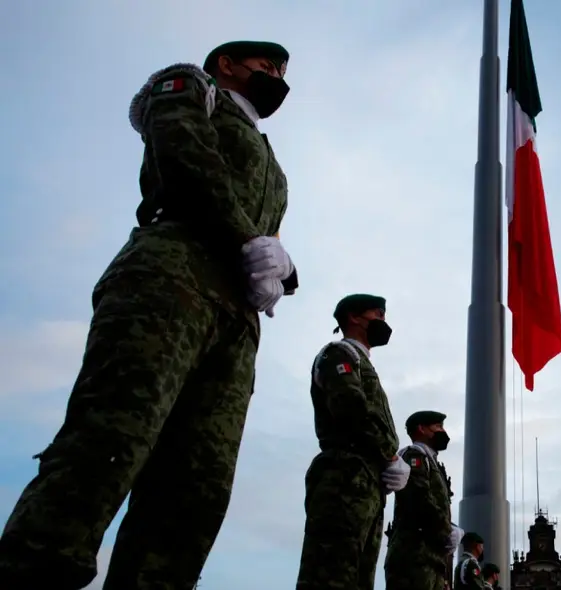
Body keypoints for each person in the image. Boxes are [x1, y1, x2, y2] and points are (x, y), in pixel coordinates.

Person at [0, 40, 298, 590]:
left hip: (236, 319)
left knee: (197, 485)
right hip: (171, 274)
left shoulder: (272, 164)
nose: (276, 74)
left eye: (282, 70)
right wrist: (246, 239)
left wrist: (280, 263)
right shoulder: (190, 86)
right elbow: (185, 156)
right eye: (266, 63)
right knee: (113, 438)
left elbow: (265, 230)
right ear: (227, 64)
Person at [297, 294, 411, 590]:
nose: (383, 322)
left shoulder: (362, 362)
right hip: (344, 476)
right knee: (331, 573)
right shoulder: (339, 353)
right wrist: (390, 456)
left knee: (359, 579)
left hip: (366, 482)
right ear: (354, 317)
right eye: (377, 314)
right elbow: (350, 407)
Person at [384, 410, 464, 590]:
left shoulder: (431, 462)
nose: (443, 432)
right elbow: (419, 499)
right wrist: (447, 531)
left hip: (430, 558)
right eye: (438, 427)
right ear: (421, 429)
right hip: (413, 557)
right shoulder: (414, 456)